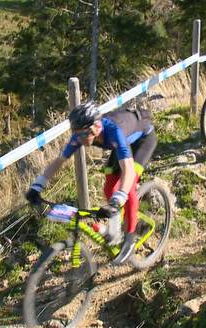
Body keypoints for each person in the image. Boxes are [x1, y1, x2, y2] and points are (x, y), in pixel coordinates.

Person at [25, 102, 158, 265]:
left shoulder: (114, 131)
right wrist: (38, 185)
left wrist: (119, 198)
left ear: (96, 127)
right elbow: (59, 161)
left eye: (82, 134)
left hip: (143, 141)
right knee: (109, 187)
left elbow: (128, 169)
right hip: (124, 145)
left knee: (127, 188)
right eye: (76, 134)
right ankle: (116, 232)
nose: (79, 138)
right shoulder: (82, 134)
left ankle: (130, 238)